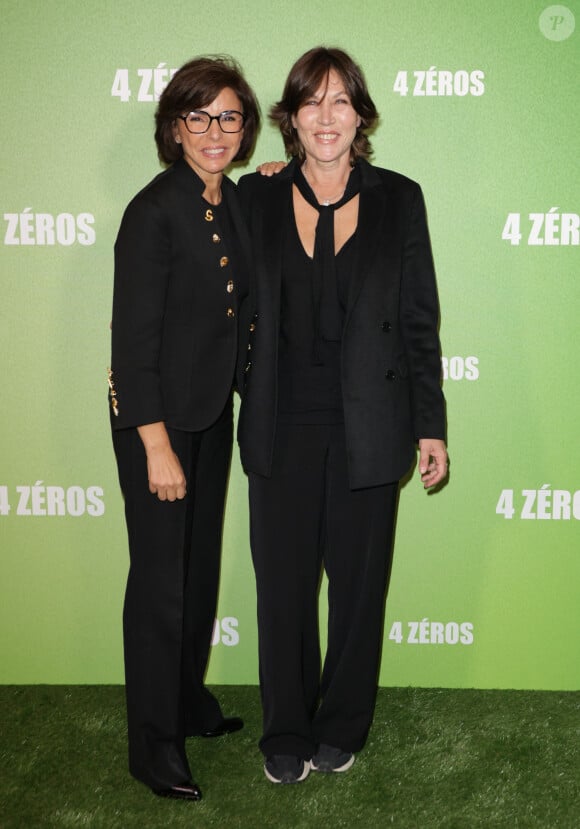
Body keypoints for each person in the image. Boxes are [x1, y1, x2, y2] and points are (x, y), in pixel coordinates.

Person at [237, 46, 447, 784]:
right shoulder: (253, 197)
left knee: (359, 590)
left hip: (372, 424)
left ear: (360, 114)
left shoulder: (401, 197)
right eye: (311, 103)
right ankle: (285, 729)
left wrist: (431, 425)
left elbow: (419, 320)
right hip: (280, 424)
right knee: (285, 588)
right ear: (290, 119)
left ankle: (342, 721)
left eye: (340, 102)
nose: (326, 117)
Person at [108, 55, 259, 801]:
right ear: (174, 126)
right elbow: (130, 345)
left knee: (196, 575)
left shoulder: (227, 200)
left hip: (211, 414)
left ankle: (187, 700)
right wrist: (156, 443)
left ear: (245, 128)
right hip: (157, 428)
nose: (214, 131)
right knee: (162, 585)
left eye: (229, 117)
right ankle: (152, 742)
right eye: (199, 117)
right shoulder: (153, 209)